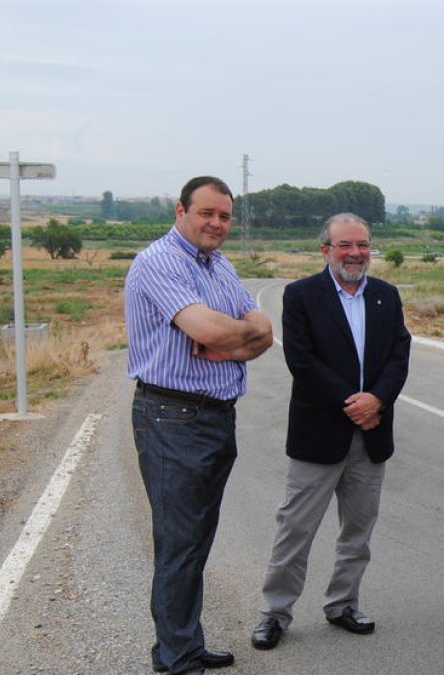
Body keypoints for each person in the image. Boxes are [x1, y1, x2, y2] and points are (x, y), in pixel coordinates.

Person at [125, 176, 274, 674]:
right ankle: (176, 657)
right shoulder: (160, 262)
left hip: (213, 417)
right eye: (207, 213)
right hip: (172, 417)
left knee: (195, 540)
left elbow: (264, 332)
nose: (216, 224)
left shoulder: (219, 266)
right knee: (180, 543)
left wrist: (231, 338)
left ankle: (183, 643)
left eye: (225, 216)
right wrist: (228, 334)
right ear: (180, 210)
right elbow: (210, 328)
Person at [250, 214, 411, 650]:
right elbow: (301, 361)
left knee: (357, 532)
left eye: (363, 245)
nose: (356, 253)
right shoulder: (302, 295)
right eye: (345, 245)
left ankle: (343, 604)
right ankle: (274, 613)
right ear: (326, 250)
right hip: (319, 436)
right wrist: (353, 403)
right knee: (294, 530)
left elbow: (400, 354)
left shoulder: (386, 296)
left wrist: (377, 400)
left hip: (372, 434)